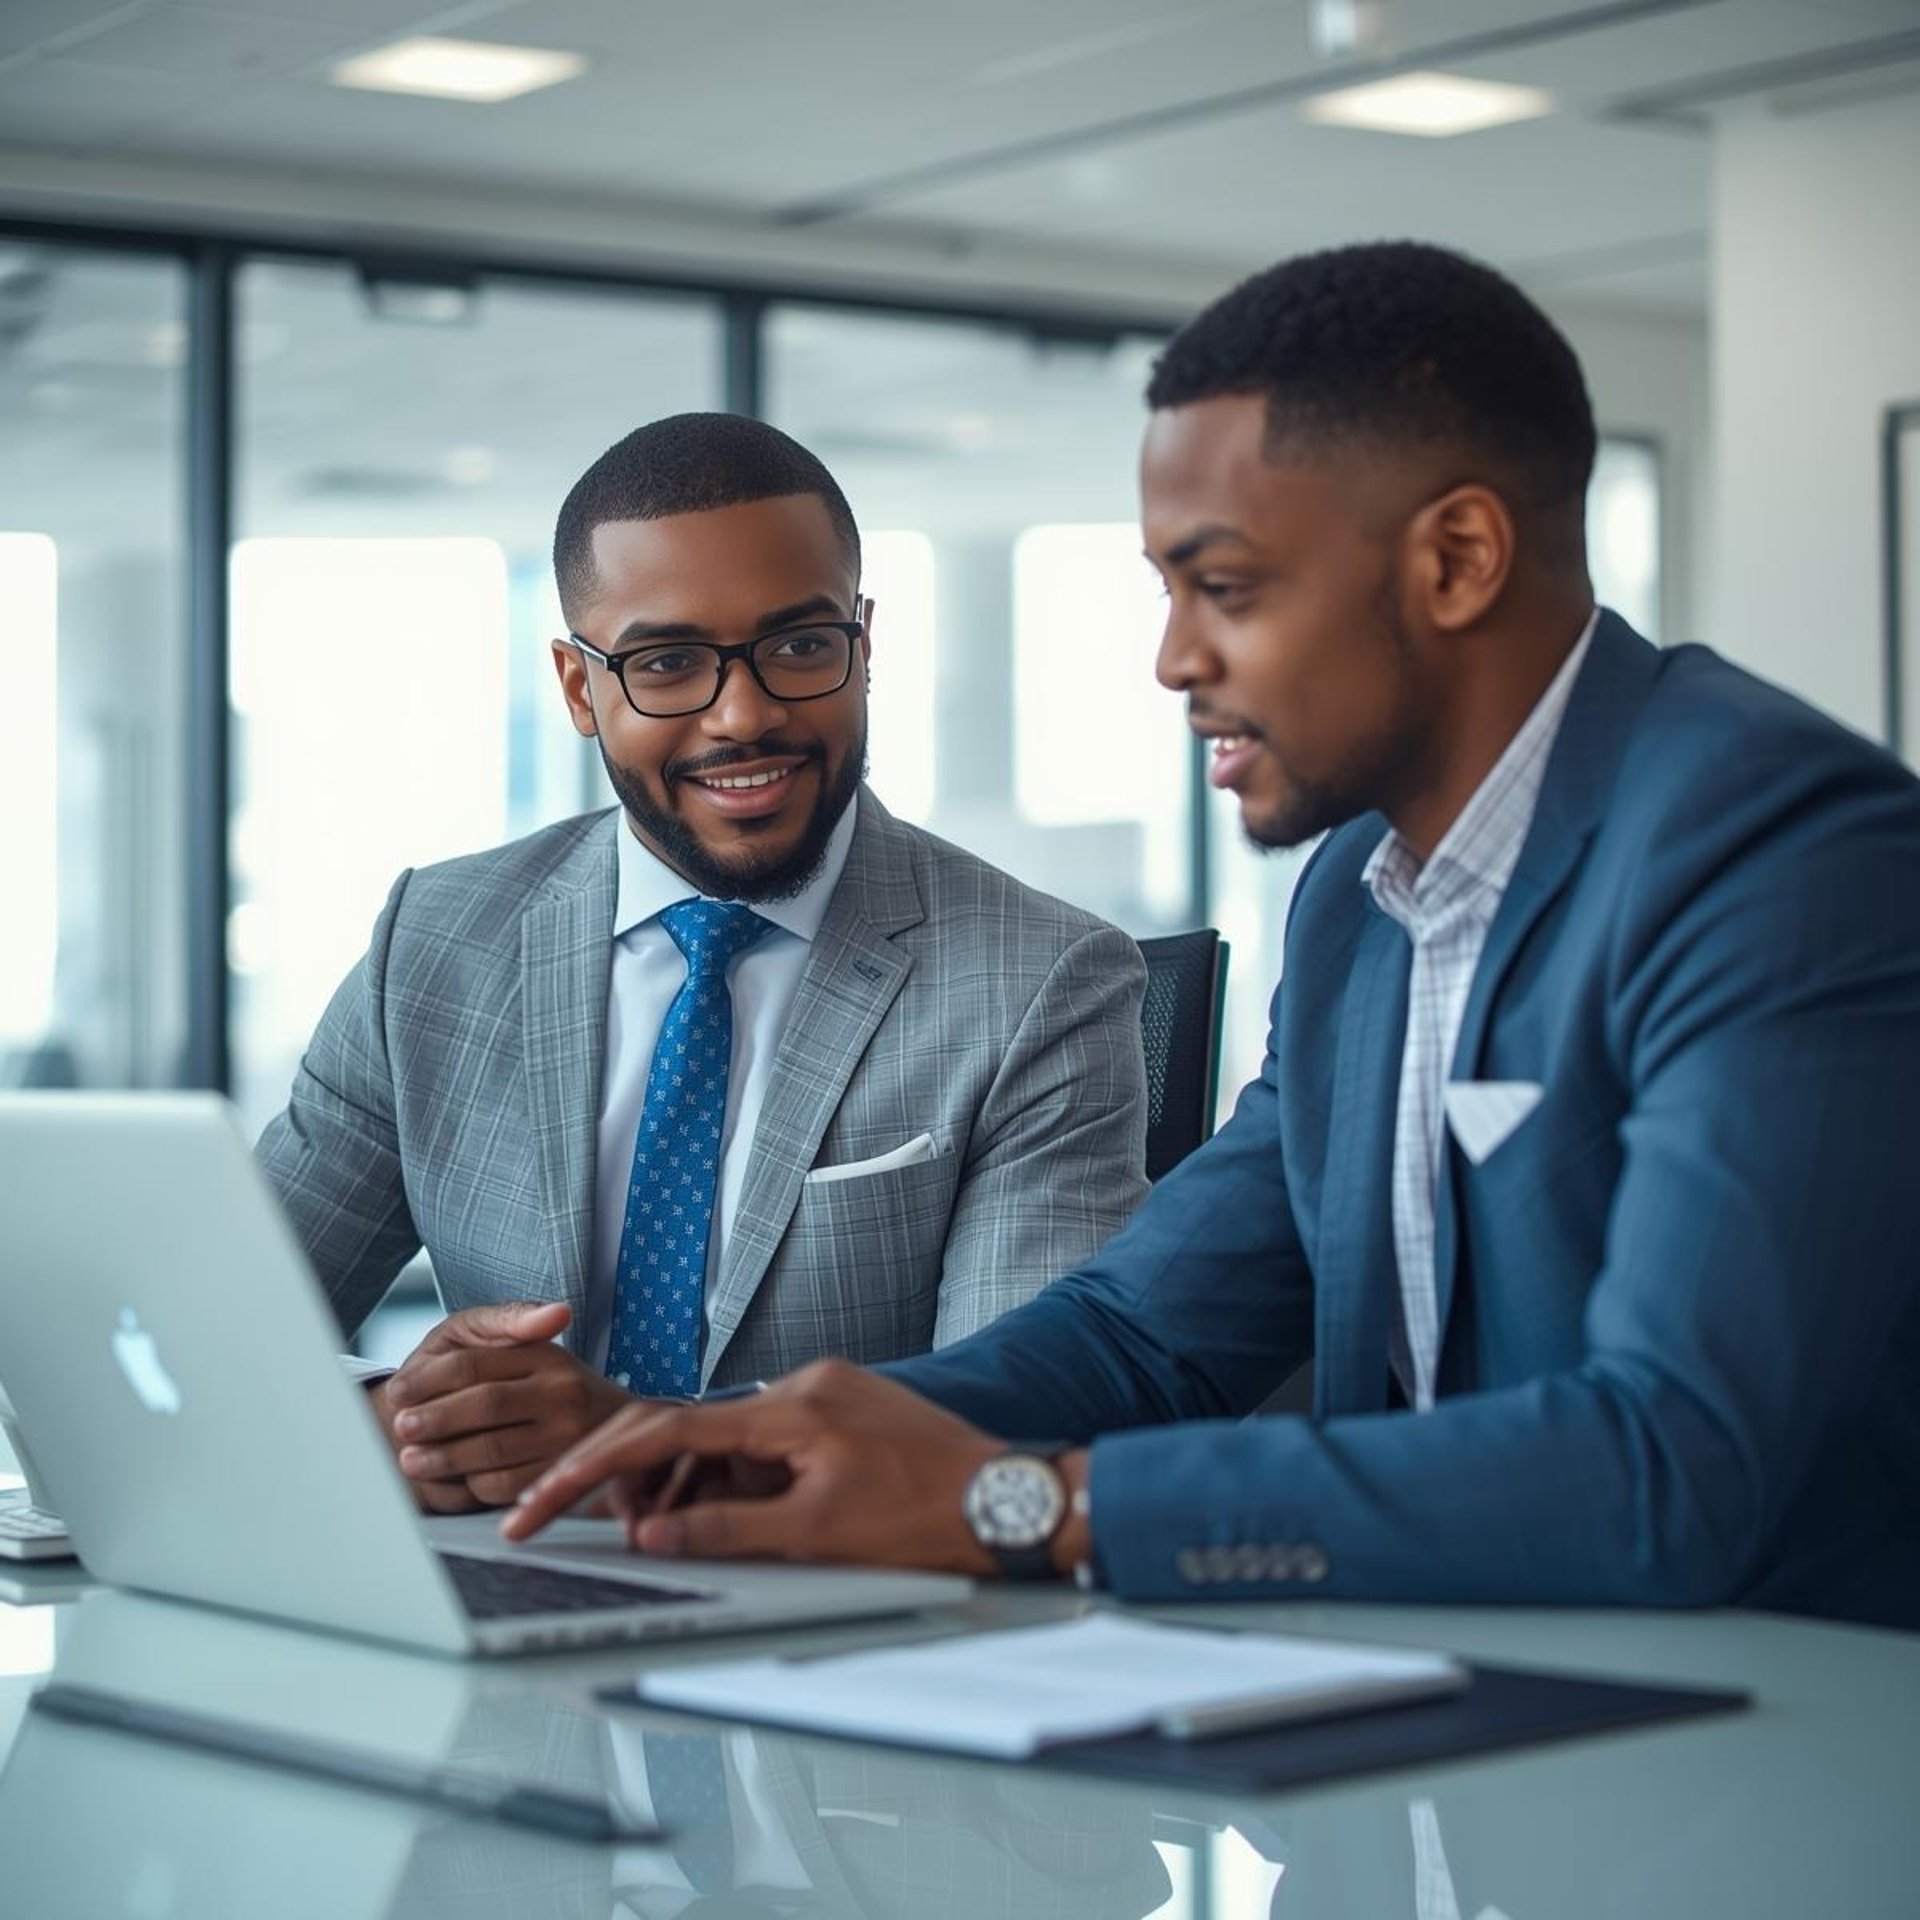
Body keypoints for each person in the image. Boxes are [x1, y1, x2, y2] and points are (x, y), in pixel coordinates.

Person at [507, 243, 1920, 1631]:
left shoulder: (1781, 851)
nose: (1175, 657)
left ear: (1460, 558)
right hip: (1431, 1745)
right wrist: (741, 1439)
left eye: (1225, 587)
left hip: (1750, 1763)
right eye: (1164, 591)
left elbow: (1671, 1470)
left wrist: (1029, 1507)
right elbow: (1147, 1330)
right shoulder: (1365, 888)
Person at [257, 413, 1150, 1513]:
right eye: (667, 662)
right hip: (491, 1588)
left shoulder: (1042, 982)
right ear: (581, 691)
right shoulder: (434, 945)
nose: (746, 713)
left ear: (863, 648)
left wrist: (642, 1440)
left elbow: (1018, 1429)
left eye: (801, 646)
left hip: (844, 1625)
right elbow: (212, 1327)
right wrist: (405, 1414)